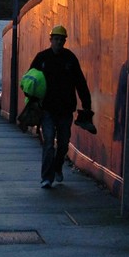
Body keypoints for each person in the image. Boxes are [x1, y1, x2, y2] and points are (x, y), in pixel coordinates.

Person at [28, 24, 92, 188]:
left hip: (65, 109)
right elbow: (29, 80)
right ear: (51, 40)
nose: (58, 42)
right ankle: (46, 178)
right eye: (56, 39)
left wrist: (86, 105)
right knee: (49, 143)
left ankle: (57, 167)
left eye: (61, 40)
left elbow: (80, 83)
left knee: (63, 144)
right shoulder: (42, 58)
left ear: (64, 41)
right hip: (47, 109)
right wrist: (32, 102)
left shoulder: (70, 58)